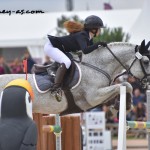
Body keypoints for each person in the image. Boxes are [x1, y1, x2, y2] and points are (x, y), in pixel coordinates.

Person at [44, 15, 107, 92]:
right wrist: (98, 44)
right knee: (67, 62)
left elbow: (91, 52)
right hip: (51, 46)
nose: (100, 30)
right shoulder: (82, 35)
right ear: (93, 29)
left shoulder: (89, 38)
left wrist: (101, 47)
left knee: (72, 60)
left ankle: (52, 68)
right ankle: (56, 87)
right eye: (99, 28)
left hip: (61, 49)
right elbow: (85, 50)